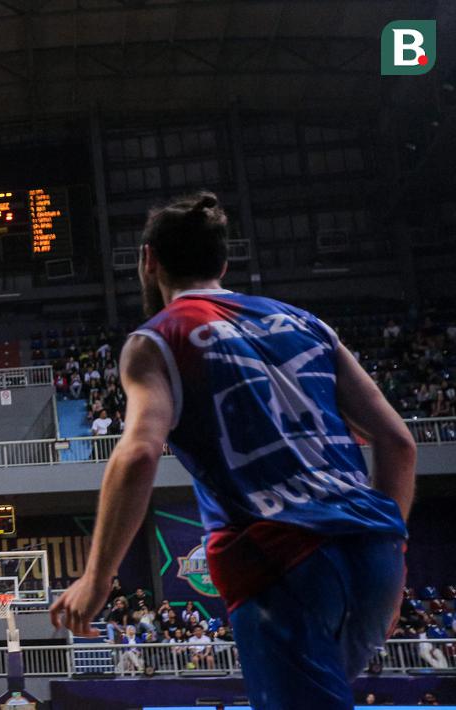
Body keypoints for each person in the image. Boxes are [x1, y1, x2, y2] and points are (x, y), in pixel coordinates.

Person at [48, 192, 415, 710]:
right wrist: (390, 556)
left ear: (149, 261)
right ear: (223, 263)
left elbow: (138, 455)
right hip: (376, 552)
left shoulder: (158, 339)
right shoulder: (308, 324)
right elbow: (398, 443)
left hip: (281, 556)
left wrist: (97, 576)